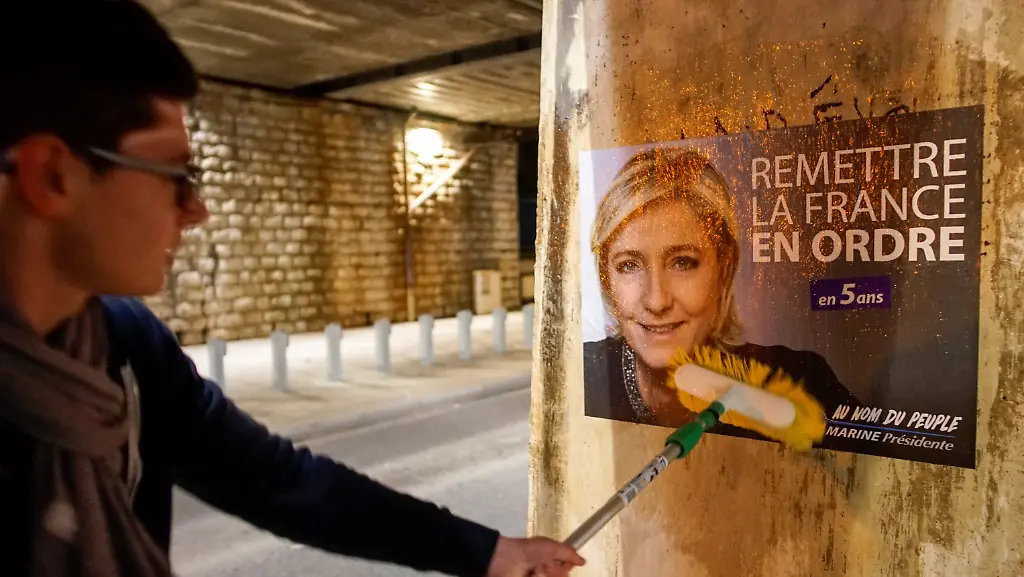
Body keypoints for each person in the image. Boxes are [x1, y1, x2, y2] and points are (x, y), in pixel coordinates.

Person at [0, 2, 585, 577]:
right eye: (176, 177)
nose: (196, 209)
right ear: (53, 176)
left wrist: (486, 552)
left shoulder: (126, 343)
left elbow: (280, 482)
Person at [583, 146, 861, 439]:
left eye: (683, 263)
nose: (656, 300)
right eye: (629, 266)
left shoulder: (801, 382)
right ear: (606, 278)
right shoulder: (581, 376)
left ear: (724, 268)